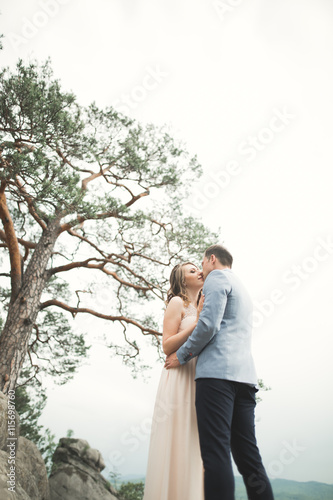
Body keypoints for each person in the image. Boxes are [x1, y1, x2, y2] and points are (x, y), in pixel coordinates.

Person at [165, 245, 274, 500]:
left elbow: (208, 325)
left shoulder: (216, 278)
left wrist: (181, 356)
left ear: (211, 259)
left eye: (201, 264)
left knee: (215, 455)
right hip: (245, 379)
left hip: (217, 379)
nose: (202, 270)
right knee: (249, 459)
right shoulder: (241, 287)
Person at [143, 262, 205, 500]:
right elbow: (166, 345)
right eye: (191, 271)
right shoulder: (177, 303)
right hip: (179, 377)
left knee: (196, 440)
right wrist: (196, 325)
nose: (198, 272)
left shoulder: (204, 303)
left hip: (198, 377)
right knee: (178, 437)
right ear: (181, 280)